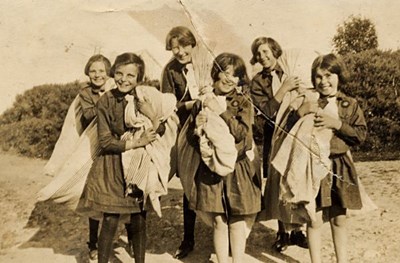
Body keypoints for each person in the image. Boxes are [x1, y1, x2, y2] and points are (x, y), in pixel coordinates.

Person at [78, 53, 161, 263]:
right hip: (112, 165)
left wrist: (153, 116)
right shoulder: (106, 100)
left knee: (139, 218)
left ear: (139, 77)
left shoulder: (145, 98)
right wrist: (135, 142)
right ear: (113, 74)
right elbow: (105, 141)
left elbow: (154, 131)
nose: (124, 79)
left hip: (138, 164)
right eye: (119, 73)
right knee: (111, 219)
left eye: (131, 75)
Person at [180, 52, 262, 263]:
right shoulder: (202, 102)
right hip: (210, 169)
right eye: (225, 72)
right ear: (216, 73)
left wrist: (222, 112)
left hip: (237, 168)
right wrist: (198, 128)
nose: (228, 79)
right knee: (219, 221)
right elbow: (191, 138)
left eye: (235, 75)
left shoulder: (243, 101)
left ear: (240, 79)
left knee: (236, 220)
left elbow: (243, 135)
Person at [293, 53, 367, 262]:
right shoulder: (309, 102)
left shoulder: (349, 104)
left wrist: (337, 124)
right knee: (314, 219)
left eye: (329, 75)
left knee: (339, 219)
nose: (324, 82)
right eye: (318, 77)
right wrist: (299, 113)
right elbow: (289, 133)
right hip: (313, 166)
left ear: (339, 76)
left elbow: (360, 135)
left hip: (339, 166)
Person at [250, 36, 308, 252]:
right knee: (278, 181)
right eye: (258, 54)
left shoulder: (291, 71)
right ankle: (282, 232)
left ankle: (297, 231)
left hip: (297, 133)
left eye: (266, 52)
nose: (263, 57)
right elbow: (264, 113)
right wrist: (283, 90)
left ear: (275, 51)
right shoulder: (257, 82)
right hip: (274, 137)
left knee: (297, 179)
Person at [79, 54, 135, 261]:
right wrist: (104, 101)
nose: (97, 75)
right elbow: (86, 115)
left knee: (124, 189)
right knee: (97, 195)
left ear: (108, 72)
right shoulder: (86, 93)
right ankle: (93, 243)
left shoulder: (117, 86)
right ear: (88, 72)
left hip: (115, 141)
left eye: (102, 71)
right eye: (93, 71)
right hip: (94, 142)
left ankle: (129, 236)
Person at [161, 26, 199, 259]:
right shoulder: (170, 70)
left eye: (184, 45)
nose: (180, 51)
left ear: (192, 44)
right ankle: (188, 238)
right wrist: (189, 105)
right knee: (189, 181)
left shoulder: (208, 62)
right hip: (187, 128)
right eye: (175, 48)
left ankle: (223, 232)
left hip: (213, 123)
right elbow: (168, 104)